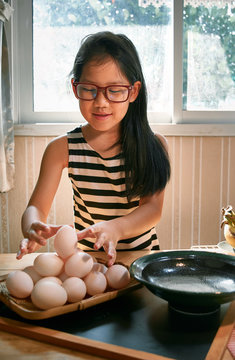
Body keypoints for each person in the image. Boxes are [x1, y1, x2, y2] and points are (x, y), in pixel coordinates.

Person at [17, 31, 171, 266]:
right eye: (89, 89)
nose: (101, 102)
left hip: (140, 262)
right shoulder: (62, 148)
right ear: (75, 87)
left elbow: (152, 210)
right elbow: (36, 207)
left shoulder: (154, 145)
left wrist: (115, 228)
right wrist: (32, 226)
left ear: (134, 91)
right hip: (88, 263)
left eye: (115, 90)